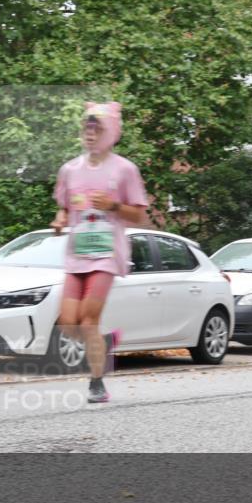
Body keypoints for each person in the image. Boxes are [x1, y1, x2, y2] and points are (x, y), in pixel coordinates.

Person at [51, 102, 148, 403]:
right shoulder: (70, 170)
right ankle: (104, 343)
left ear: (112, 133)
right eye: (87, 128)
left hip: (106, 254)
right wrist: (60, 220)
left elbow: (140, 216)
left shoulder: (125, 169)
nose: (90, 134)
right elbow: (64, 207)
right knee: (69, 324)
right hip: (77, 254)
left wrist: (113, 205)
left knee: (88, 320)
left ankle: (97, 384)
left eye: (97, 129)